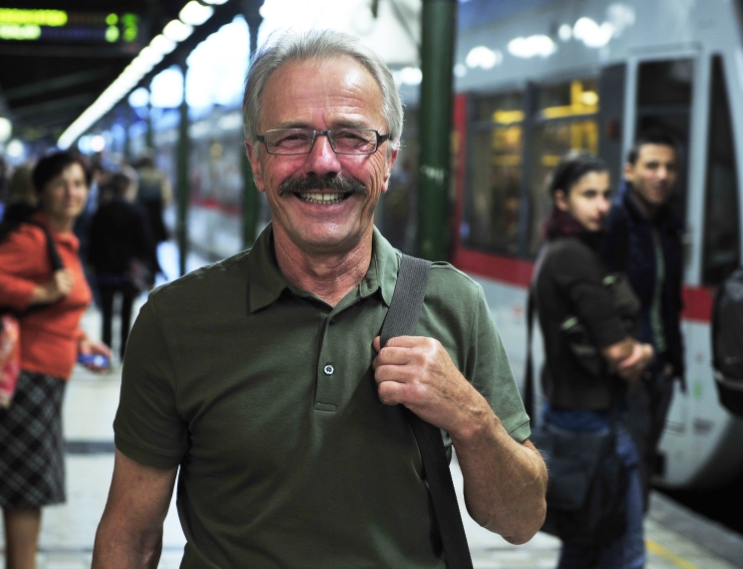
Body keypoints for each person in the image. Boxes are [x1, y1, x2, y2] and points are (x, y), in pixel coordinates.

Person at [92, 29, 547, 568]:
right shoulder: (175, 320)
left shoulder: (454, 302)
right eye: (291, 137)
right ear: (256, 162)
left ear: (389, 161)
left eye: (353, 136)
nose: (324, 162)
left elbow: (519, 522)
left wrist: (470, 416)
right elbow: (132, 538)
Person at [0, 151, 111, 569]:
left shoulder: (64, 242)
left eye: (78, 183)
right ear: (39, 191)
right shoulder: (32, 240)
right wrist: (37, 293)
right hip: (27, 381)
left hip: (45, 380)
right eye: (59, 183)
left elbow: (56, 313)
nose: (70, 192)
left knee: (28, 491)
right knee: (26, 492)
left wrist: (79, 340)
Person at [533, 153, 653, 568]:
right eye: (589, 195)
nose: (603, 205)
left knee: (585, 545)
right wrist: (648, 352)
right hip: (593, 424)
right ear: (562, 199)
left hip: (570, 415)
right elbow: (621, 354)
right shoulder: (574, 258)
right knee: (626, 551)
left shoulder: (557, 251)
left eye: (605, 194)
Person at [600, 130, 685, 505]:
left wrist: (670, 363)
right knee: (627, 477)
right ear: (630, 171)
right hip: (630, 371)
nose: (662, 175)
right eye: (652, 165)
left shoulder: (667, 226)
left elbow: (670, 300)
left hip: (660, 369)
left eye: (670, 167)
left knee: (641, 470)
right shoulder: (614, 222)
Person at [88, 170, 160, 360]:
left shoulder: (102, 210)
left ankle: (105, 354)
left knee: (107, 314)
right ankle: (124, 355)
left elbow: (92, 240)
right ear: (128, 188)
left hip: (105, 270)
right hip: (129, 272)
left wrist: (92, 264)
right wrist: (152, 272)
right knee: (127, 312)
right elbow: (146, 244)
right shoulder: (136, 211)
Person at [134, 155, 171, 244]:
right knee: (156, 226)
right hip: (156, 205)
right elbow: (165, 190)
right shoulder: (158, 174)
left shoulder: (138, 174)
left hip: (143, 205)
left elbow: (135, 192)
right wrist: (165, 202)